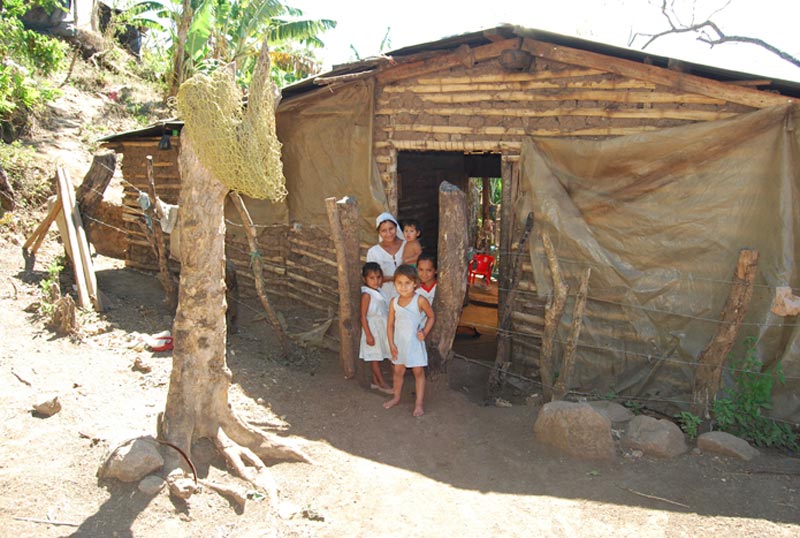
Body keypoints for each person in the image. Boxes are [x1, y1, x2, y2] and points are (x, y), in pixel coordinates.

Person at [383, 264, 435, 417]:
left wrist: (424, 332)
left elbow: (431, 316)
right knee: (398, 371)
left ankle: (419, 403)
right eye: (399, 283)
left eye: (407, 283)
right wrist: (391, 344)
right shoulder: (394, 302)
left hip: (414, 344)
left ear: (415, 283)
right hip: (399, 344)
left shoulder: (420, 301)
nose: (403, 287)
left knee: (418, 372)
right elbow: (390, 325)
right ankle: (396, 397)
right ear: (395, 284)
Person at [359, 262, 393, 395]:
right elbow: (363, 316)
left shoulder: (379, 292)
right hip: (372, 329)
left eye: (378, 277)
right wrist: (368, 334)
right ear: (365, 279)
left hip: (381, 327)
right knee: (375, 357)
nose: (376, 281)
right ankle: (381, 382)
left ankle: (375, 381)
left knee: (379, 355)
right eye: (372, 278)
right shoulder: (367, 294)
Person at [366, 212, 406, 298]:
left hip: (407, 294)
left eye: (391, 229)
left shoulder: (407, 246)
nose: (388, 233)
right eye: (384, 231)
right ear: (379, 232)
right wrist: (393, 278)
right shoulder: (373, 252)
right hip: (385, 296)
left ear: (396, 227)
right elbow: (371, 277)